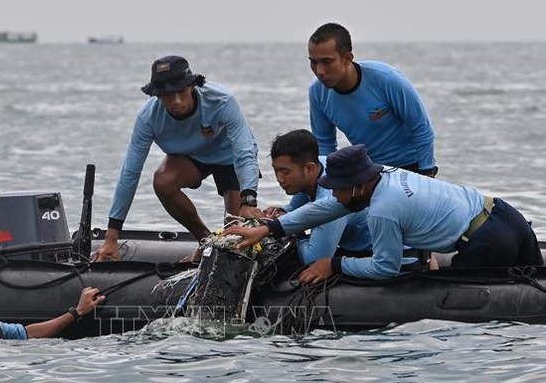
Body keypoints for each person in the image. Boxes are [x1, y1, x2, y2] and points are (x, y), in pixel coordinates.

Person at [226, 145, 543, 283]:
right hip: (507, 215)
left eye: (337, 187)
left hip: (487, 242)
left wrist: (334, 264)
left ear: (356, 185)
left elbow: (386, 268)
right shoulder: (384, 176)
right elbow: (327, 208)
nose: (333, 194)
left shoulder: (383, 211)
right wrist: (269, 229)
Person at [93, 55, 263, 262]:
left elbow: (244, 150)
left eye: (181, 92)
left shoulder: (223, 100)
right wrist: (112, 236)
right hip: (191, 158)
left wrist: (248, 199)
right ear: (156, 95)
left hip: (231, 157)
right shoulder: (147, 118)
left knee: (234, 235)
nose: (176, 102)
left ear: (192, 86)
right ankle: (206, 242)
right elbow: (130, 173)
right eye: (167, 95)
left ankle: (226, 242)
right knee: (163, 181)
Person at [308, 22, 437, 176]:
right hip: (372, 171)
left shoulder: (387, 79)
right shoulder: (317, 92)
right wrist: (326, 184)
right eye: (313, 62)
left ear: (348, 58)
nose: (319, 71)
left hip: (413, 167)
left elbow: (422, 129)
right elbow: (324, 144)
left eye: (327, 62)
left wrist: (427, 174)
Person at [264, 129, 370, 263]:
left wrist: (296, 234)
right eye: (276, 170)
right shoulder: (318, 165)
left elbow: (314, 259)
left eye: (285, 172)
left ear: (310, 169)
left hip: (370, 253)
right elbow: (292, 209)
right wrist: (277, 212)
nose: (279, 179)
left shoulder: (332, 195)